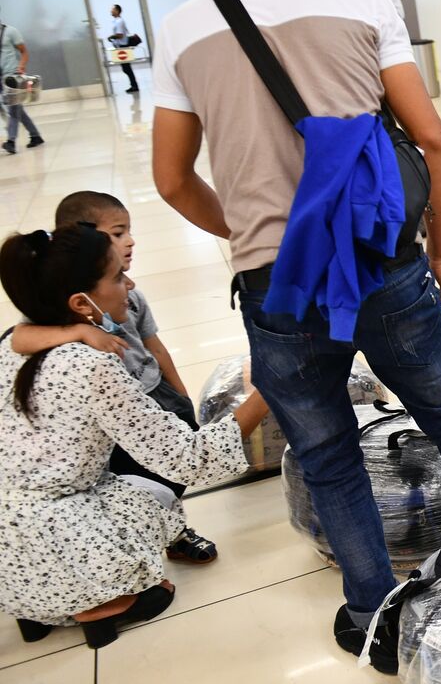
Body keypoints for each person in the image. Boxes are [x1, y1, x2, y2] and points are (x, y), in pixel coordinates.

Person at [151, 0, 441, 675]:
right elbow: (432, 140)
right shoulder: (362, 0)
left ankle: (372, 610)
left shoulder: (184, 25)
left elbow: (173, 178)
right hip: (383, 264)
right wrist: (440, 248)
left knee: (325, 451)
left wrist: (256, 235)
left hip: (278, 285)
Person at [0, 224, 268, 648]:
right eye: (115, 276)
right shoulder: (93, 367)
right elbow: (189, 459)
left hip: (8, 553)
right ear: (80, 303)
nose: (130, 283)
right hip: (55, 536)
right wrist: (272, 386)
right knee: (151, 499)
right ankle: (98, 604)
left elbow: (17, 335)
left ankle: (34, 609)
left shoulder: (14, 345)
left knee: (120, 489)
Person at [12, 191, 217, 563]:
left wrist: (181, 396)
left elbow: (157, 348)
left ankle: (171, 524)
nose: (130, 241)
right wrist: (78, 331)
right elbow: (18, 337)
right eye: (117, 233)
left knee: (172, 472)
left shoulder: (127, 296)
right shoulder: (64, 315)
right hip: (113, 419)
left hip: (156, 395)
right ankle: (162, 533)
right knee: (137, 477)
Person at [0, 14, 42, 154]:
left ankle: (11, 142)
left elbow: (24, 51)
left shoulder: (10, 31)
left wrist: (22, 66)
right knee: (18, 110)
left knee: (13, 109)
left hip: (12, 76)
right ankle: (35, 136)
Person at [108, 5, 140, 94]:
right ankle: (134, 85)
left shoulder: (119, 22)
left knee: (127, 68)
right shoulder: (116, 21)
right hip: (120, 46)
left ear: (117, 11)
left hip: (123, 47)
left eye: (112, 9)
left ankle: (134, 86)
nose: (111, 11)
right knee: (126, 68)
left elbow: (120, 35)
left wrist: (111, 37)